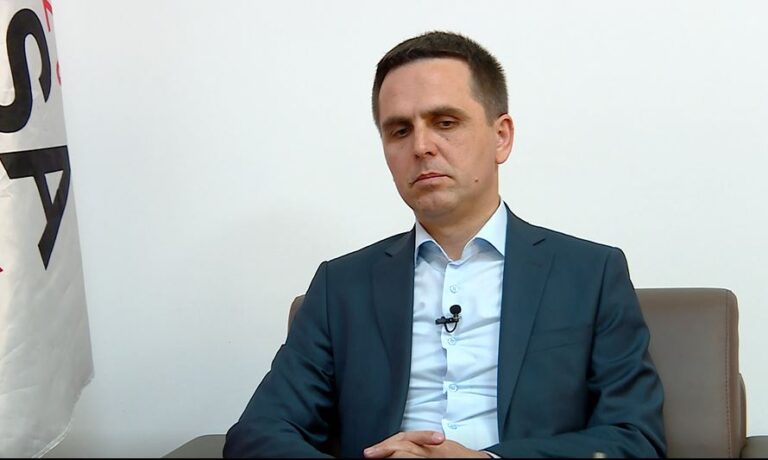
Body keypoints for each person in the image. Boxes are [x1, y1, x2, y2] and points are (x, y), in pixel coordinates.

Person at [224, 31, 666, 458]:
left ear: (501, 137)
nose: (421, 146)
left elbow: (634, 438)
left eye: (445, 123)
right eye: (400, 131)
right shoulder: (340, 286)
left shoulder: (590, 274)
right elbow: (259, 433)